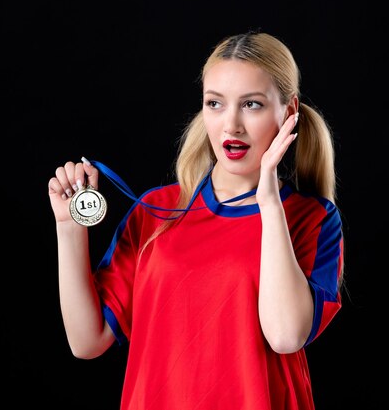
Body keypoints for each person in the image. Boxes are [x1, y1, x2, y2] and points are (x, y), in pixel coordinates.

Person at [48, 31, 344, 410]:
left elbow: (286, 336)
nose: (231, 125)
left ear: (288, 113)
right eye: (215, 104)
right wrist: (69, 228)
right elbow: (87, 341)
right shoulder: (156, 211)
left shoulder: (312, 219)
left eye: (251, 104)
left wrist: (269, 202)